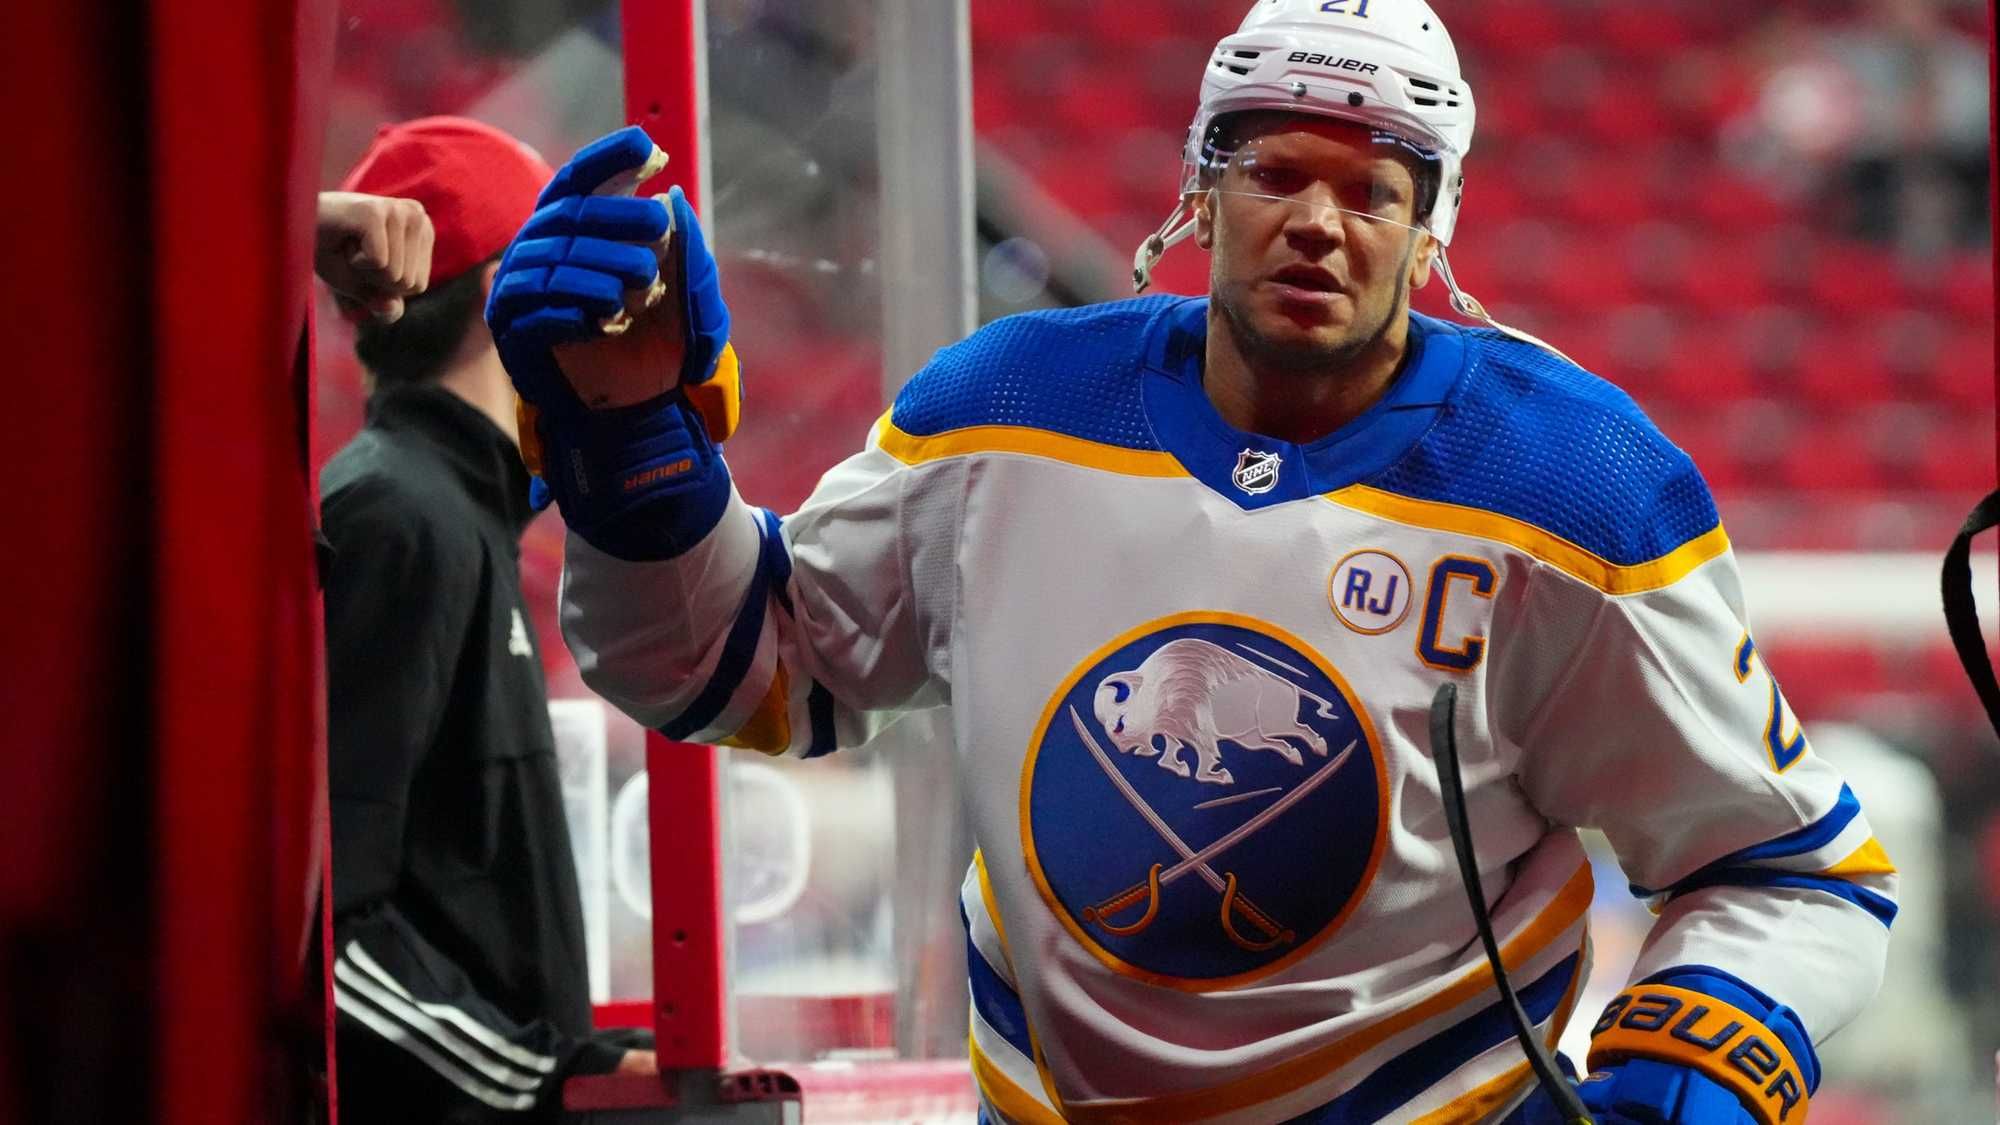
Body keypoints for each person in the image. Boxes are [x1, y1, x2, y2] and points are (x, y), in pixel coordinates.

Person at [485, 2, 1896, 1121]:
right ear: (1201, 193)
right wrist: (634, 456)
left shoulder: (1575, 489)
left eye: (1372, 190)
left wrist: (1693, 1057)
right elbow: (741, 668)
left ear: (1431, 232)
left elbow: (1788, 868)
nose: (1318, 221)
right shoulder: (1003, 409)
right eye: (1273, 171)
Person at [317, 116, 654, 1124]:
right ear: (514, 285)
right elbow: (326, 927)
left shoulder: (451, 513)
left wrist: (583, 1062)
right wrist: (542, 1080)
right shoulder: (398, 516)